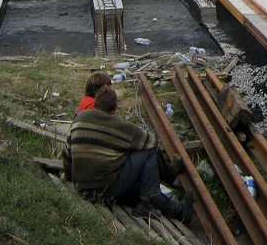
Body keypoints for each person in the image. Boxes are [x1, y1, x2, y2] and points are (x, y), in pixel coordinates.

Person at [63, 87, 193, 222]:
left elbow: (67, 155)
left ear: (95, 103)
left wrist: (68, 176)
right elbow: (150, 141)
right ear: (115, 107)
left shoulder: (79, 119)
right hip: (106, 189)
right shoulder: (117, 125)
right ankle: (156, 190)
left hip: (83, 190)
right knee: (148, 152)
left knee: (139, 189)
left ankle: (180, 211)